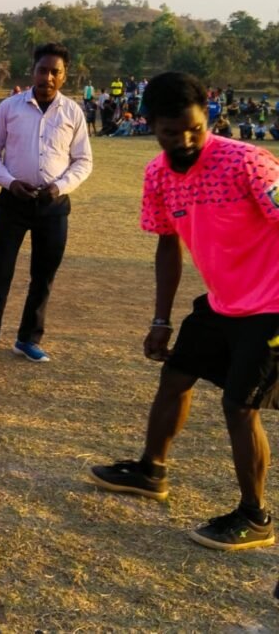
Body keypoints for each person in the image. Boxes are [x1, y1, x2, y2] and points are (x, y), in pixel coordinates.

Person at [90, 72, 279, 551]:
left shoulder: (248, 162)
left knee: (239, 405)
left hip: (271, 305)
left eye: (195, 128)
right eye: (172, 132)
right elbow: (167, 245)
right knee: (175, 377)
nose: (187, 140)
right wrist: (161, 320)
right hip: (221, 302)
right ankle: (151, 471)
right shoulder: (157, 174)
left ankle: (255, 516)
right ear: (150, 124)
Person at [0, 43, 93, 366]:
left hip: (53, 205)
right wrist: (10, 182)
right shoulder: (9, 107)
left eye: (55, 72)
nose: (47, 77)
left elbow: (83, 161)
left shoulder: (72, 113)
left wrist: (60, 186)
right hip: (13, 202)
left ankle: (28, 339)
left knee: (44, 274)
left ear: (64, 76)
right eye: (42, 70)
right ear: (32, 71)